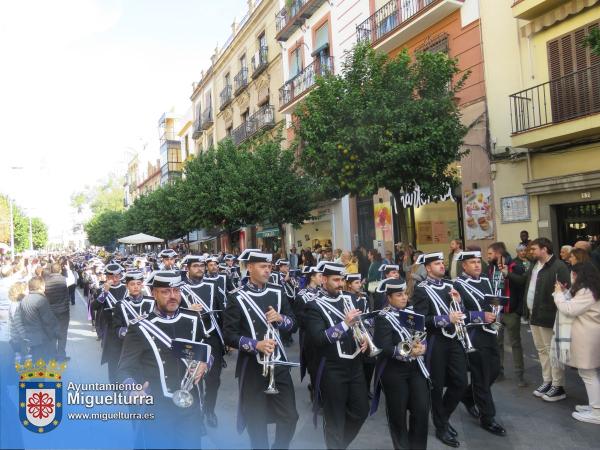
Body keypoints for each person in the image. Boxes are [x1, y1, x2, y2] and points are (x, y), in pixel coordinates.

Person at [117, 270, 211, 448]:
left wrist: (205, 364)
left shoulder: (192, 319)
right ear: (153, 293)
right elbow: (124, 369)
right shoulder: (139, 327)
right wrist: (132, 390)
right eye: (166, 292)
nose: (173, 296)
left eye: (176, 291)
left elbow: (206, 351)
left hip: (189, 404)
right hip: (158, 408)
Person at [223, 249, 298, 449]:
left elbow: (294, 324)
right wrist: (255, 344)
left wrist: (281, 319)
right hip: (252, 368)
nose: (267, 270)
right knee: (256, 424)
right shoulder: (236, 297)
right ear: (249, 267)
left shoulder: (277, 291)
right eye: (262, 266)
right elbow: (228, 335)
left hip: (279, 364)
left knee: (290, 416)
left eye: (269, 266)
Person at [304, 261, 369, 450]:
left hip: (355, 365)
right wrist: (344, 324)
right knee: (334, 419)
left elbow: (360, 326)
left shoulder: (349, 299)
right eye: (336, 280)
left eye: (342, 279)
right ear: (324, 280)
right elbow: (318, 339)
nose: (340, 284)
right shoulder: (313, 306)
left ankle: (339, 445)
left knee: (361, 411)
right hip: (331, 368)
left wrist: (364, 338)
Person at [411, 252, 468, 448]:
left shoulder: (451, 286)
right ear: (428, 268)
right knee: (436, 386)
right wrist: (445, 319)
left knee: (461, 382)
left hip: (454, 340)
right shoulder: (421, 290)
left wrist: (459, 302)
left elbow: (461, 312)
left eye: (442, 263)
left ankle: (442, 417)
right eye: (437, 263)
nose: (442, 266)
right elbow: (420, 321)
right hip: (436, 342)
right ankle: (441, 426)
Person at [372, 278, 430, 449]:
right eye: (399, 295)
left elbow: (422, 335)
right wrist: (408, 352)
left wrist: (422, 348)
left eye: (405, 294)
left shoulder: (412, 313)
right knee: (398, 416)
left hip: (416, 369)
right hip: (394, 372)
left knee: (421, 411)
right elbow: (384, 347)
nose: (404, 297)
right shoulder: (383, 317)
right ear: (389, 298)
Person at [453, 251, 506, 436]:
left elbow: (492, 301)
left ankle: (468, 396)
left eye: (478, 262)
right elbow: (457, 313)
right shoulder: (457, 285)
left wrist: (497, 308)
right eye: (472, 262)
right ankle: (487, 418)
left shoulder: (485, 279)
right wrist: (480, 316)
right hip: (474, 334)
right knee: (482, 376)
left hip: (490, 332)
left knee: (494, 371)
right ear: (464, 266)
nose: (477, 265)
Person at [519, 238, 570, 401]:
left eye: (534, 249)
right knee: (541, 350)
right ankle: (547, 380)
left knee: (552, 351)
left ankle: (558, 385)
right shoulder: (535, 265)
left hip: (549, 315)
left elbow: (566, 291)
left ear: (545, 249)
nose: (531, 252)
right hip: (534, 313)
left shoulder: (559, 267)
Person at [180, 255, 225, 429]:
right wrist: (187, 309)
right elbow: (172, 313)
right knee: (192, 377)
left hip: (212, 339)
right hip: (192, 339)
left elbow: (222, 312)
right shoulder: (179, 289)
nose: (200, 269)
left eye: (202, 266)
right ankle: (194, 412)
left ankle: (209, 409)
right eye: (196, 266)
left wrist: (225, 339)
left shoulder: (213, 285)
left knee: (214, 379)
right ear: (188, 269)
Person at [553, 262, 600, 424]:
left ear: (581, 275)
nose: (571, 277)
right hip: (588, 334)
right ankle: (595, 406)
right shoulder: (590, 289)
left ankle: (597, 412)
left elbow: (569, 309)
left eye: (573, 274)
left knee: (588, 374)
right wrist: (566, 292)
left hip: (586, 336)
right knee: (588, 373)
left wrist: (559, 294)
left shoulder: (586, 291)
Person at [486, 243, 527, 386]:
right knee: (497, 343)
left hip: (511, 312)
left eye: (490, 253)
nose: (488, 256)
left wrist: (508, 274)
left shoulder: (515, 265)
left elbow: (522, 283)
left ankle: (519, 375)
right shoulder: (491, 267)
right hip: (497, 312)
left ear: (498, 253)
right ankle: (499, 372)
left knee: (515, 343)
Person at [295, 265, 323, 401]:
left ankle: (320, 390)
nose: (322, 279)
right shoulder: (302, 295)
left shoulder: (323, 293)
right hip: (308, 336)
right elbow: (299, 318)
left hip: (322, 333)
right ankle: (315, 392)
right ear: (312, 277)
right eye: (319, 276)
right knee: (312, 364)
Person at [96, 263, 128, 382]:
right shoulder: (101, 289)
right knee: (113, 359)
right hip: (110, 329)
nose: (115, 279)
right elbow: (94, 307)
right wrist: (105, 292)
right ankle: (115, 385)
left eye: (117, 276)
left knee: (127, 358)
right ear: (107, 277)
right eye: (111, 277)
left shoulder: (126, 288)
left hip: (126, 327)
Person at [18, 277, 60, 361]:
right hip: (42, 337)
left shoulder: (24, 299)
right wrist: (54, 334)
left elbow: (22, 318)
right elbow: (48, 321)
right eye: (44, 285)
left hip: (30, 335)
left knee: (36, 359)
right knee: (42, 362)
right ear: (40, 286)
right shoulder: (41, 300)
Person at [44, 263, 70, 362]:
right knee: (63, 333)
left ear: (51, 270)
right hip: (63, 311)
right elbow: (72, 279)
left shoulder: (45, 281)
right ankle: (61, 355)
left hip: (50, 311)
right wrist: (68, 269)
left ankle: (52, 355)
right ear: (60, 270)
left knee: (52, 333)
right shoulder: (65, 279)